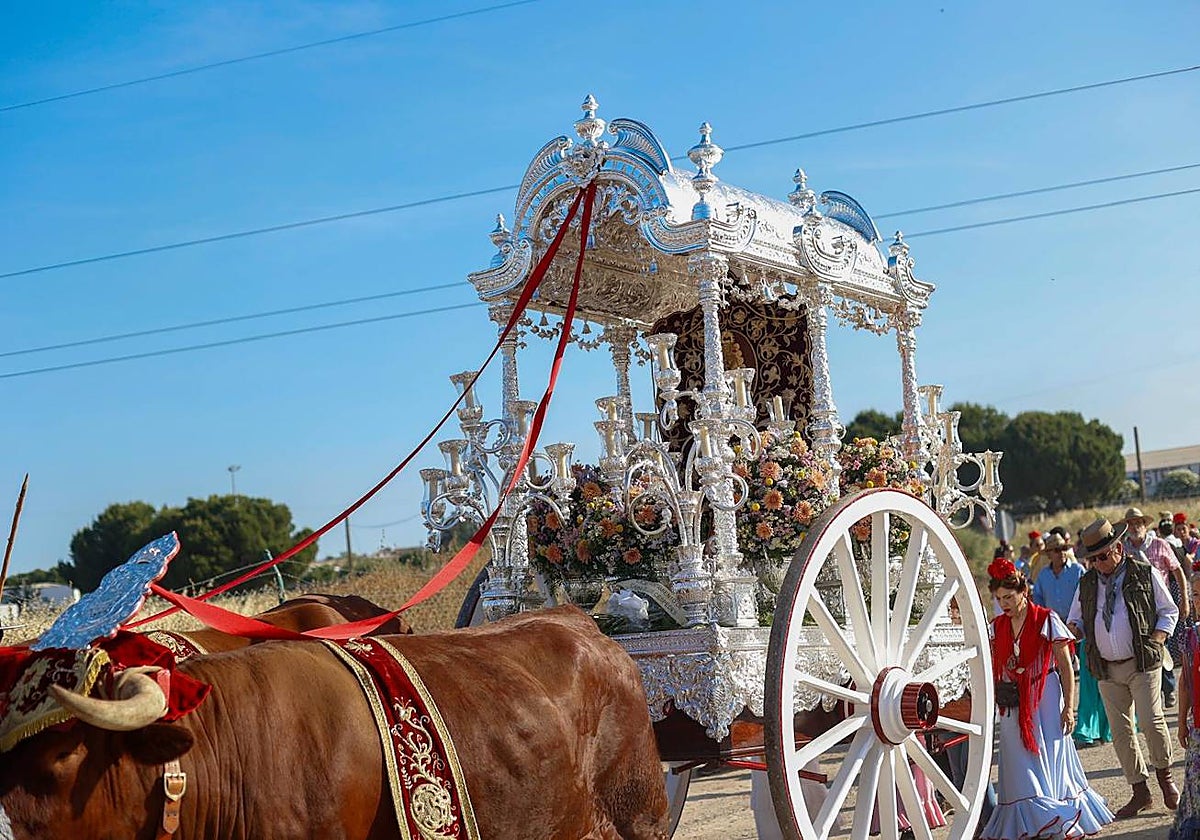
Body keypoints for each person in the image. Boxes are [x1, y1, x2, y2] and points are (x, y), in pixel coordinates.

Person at [979, 557, 1113, 839]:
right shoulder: (998, 625)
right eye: (999, 598)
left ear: (1023, 591)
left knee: (1049, 752)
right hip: (1013, 700)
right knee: (1016, 757)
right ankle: (1029, 816)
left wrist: (1069, 708)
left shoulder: (1046, 618)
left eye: (1009, 597)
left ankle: (1055, 811)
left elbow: (1065, 665)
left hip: (1047, 695)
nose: (1004, 603)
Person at [1068, 517, 1180, 818]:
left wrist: (1157, 638)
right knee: (1120, 732)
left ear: (1117, 548)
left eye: (1102, 556)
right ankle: (1140, 791)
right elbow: (1075, 619)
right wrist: (1071, 631)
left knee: (1152, 721)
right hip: (1106, 668)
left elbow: (1169, 610)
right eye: (1093, 559)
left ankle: (1166, 780)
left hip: (1142, 662)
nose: (1098, 563)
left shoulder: (1144, 573)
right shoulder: (1087, 582)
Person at [1124, 506, 1190, 708]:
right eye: (1131, 524)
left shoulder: (1159, 544)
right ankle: (1149, 694)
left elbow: (1177, 570)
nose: (1135, 527)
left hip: (1160, 605)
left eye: (1138, 523)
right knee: (1141, 648)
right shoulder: (1122, 548)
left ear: (1145, 526)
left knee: (1161, 646)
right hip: (1135, 607)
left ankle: (1168, 688)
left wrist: (1184, 598)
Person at [1169, 573, 1200, 840]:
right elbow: (1186, 682)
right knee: (1195, 784)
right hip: (1199, 725)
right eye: (1197, 595)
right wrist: (1181, 721)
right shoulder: (1192, 637)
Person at [1032, 533, 1084, 622]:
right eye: (1057, 550)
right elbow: (1038, 600)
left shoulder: (1077, 570)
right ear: (1048, 555)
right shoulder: (1043, 575)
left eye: (1064, 549)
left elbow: (1086, 598)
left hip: (1077, 624)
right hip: (1054, 626)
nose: (1062, 553)